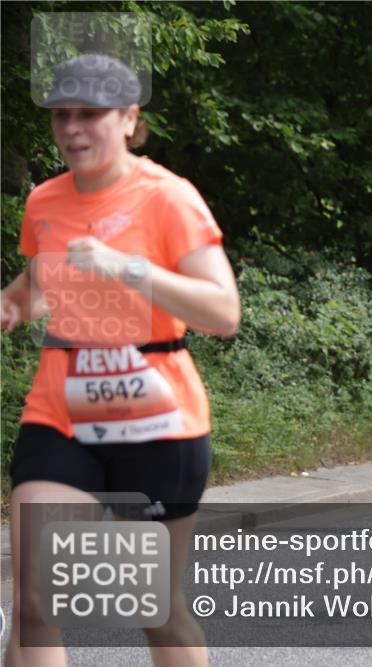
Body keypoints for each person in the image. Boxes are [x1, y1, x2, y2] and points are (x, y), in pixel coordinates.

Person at [2, 54, 241, 667]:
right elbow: (35, 288)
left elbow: (222, 313)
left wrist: (128, 268)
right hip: (61, 411)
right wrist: (9, 306)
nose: (73, 129)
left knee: (155, 611)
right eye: (62, 115)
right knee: (32, 602)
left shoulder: (168, 198)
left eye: (90, 114)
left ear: (130, 118)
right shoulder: (45, 202)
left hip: (157, 421)